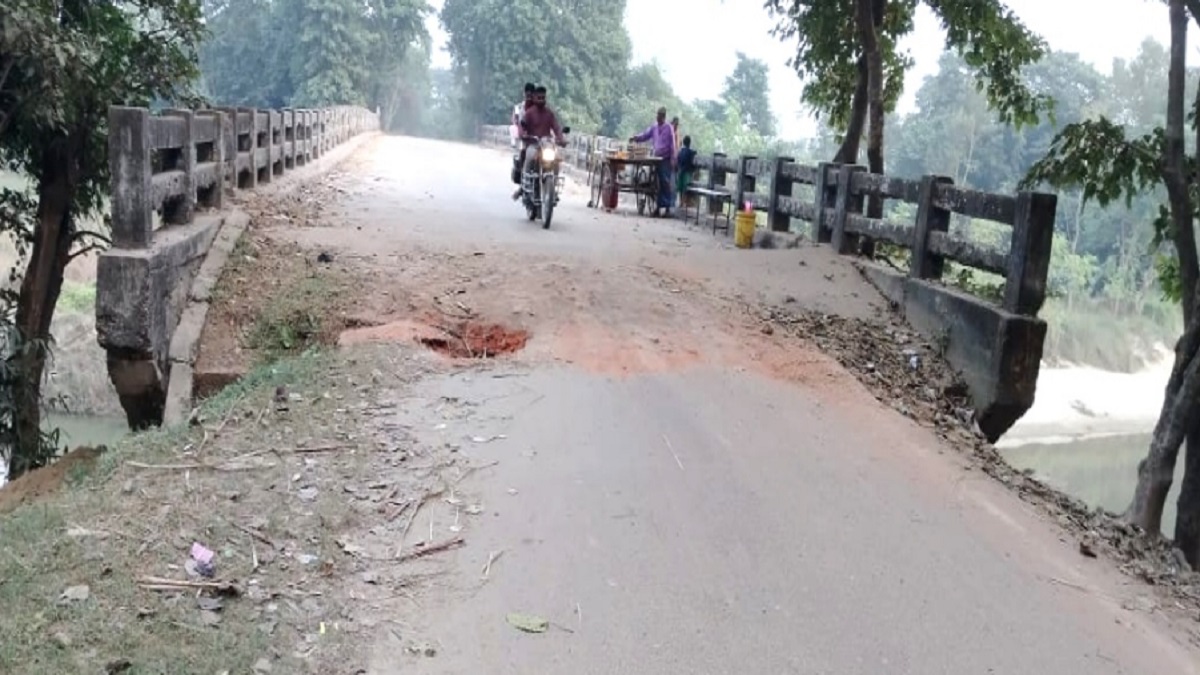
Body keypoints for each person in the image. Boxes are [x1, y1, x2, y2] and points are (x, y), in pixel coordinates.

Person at [513, 85, 566, 200]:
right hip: (533, 143)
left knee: (556, 159)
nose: (541, 100)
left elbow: (556, 128)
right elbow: (522, 126)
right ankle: (525, 185)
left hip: (546, 143)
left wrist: (561, 138)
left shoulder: (549, 113)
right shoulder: (529, 113)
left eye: (543, 97)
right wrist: (524, 135)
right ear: (535, 98)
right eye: (539, 97)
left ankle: (553, 187)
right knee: (529, 156)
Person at [629, 107, 676, 217]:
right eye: (657, 115)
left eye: (660, 116)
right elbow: (645, 135)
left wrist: (673, 159)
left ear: (664, 117)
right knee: (656, 182)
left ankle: (668, 208)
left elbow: (672, 145)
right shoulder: (654, 127)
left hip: (665, 158)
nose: (658, 117)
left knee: (665, 182)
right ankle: (658, 208)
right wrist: (636, 138)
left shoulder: (669, 128)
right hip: (656, 157)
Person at [675, 135, 697, 211]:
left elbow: (677, 160)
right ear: (689, 143)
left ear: (683, 143)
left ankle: (681, 202)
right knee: (685, 187)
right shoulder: (690, 152)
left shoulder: (680, 152)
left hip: (680, 171)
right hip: (687, 171)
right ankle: (684, 202)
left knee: (680, 188)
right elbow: (693, 155)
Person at [511, 83, 535, 148]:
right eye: (528, 96)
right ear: (524, 95)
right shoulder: (521, 108)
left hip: (540, 139)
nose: (529, 98)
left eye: (531, 96)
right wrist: (522, 134)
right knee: (524, 151)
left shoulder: (540, 107)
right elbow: (519, 123)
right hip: (527, 137)